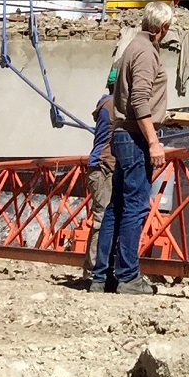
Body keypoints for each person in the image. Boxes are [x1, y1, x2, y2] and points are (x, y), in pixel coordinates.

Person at [88, 2, 174, 295]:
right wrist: (153, 142)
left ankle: (102, 276)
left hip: (122, 134)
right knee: (135, 206)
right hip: (135, 136)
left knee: (116, 206)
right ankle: (128, 276)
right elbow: (139, 100)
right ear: (162, 28)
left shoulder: (130, 48)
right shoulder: (147, 52)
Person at [82, 66, 118, 281]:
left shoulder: (106, 103)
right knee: (102, 218)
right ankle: (95, 270)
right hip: (104, 167)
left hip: (101, 166)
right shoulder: (114, 105)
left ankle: (98, 268)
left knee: (103, 217)